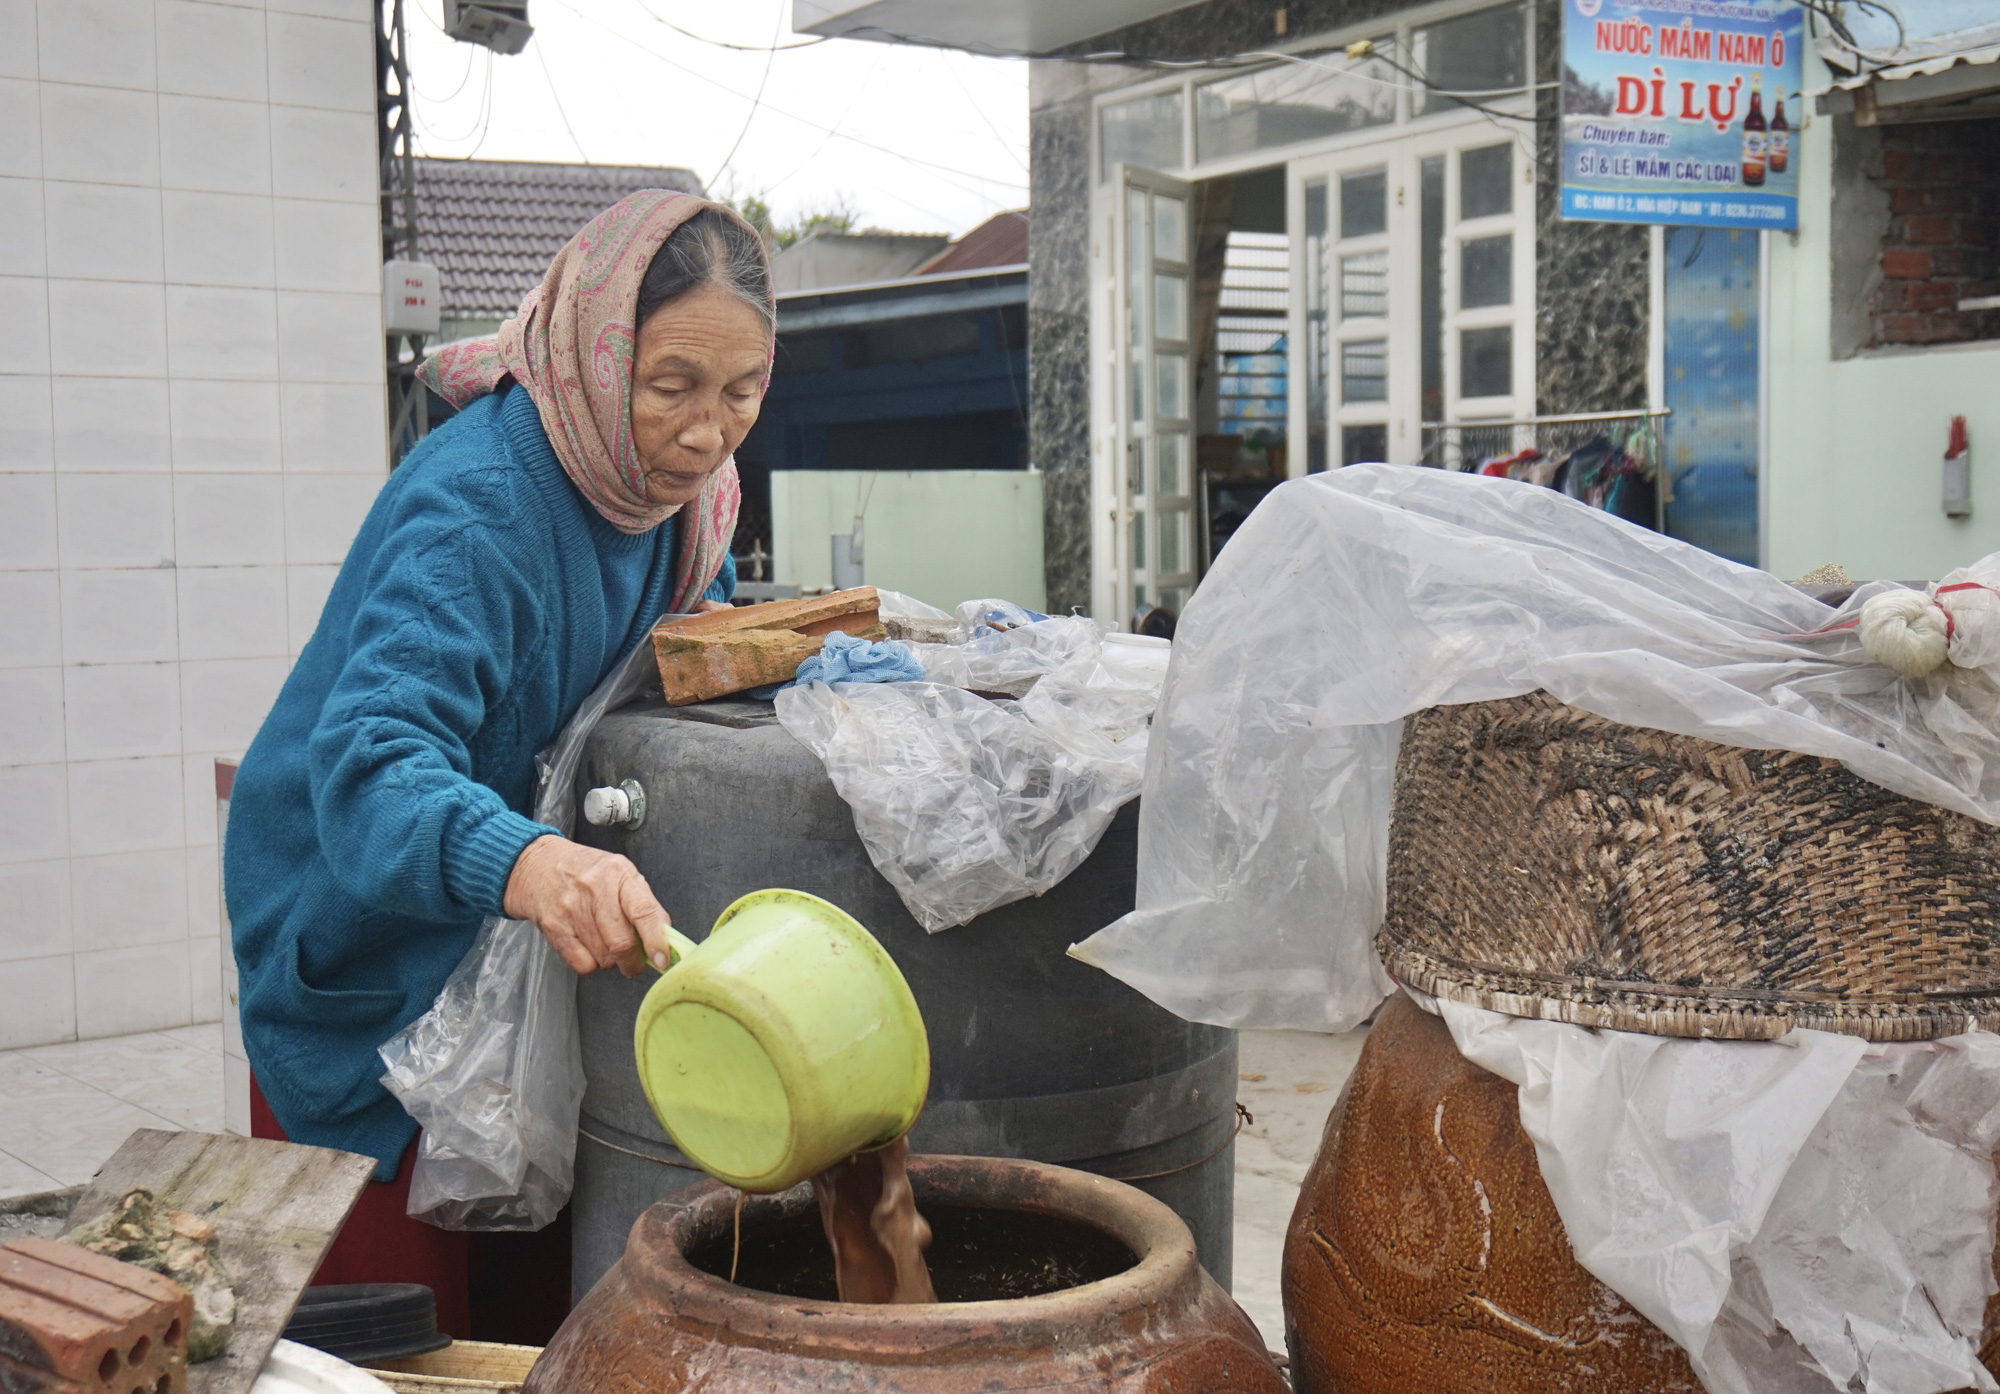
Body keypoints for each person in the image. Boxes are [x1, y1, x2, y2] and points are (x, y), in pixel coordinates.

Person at [224, 193, 772, 1332]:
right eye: (672, 384)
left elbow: (682, 664)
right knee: (398, 1332)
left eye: (742, 391)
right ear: (594, 350)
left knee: (548, 1327)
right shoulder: (479, 509)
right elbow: (372, 770)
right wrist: (538, 866)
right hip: (372, 969)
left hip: (512, 960)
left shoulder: (688, 505)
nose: (708, 431)